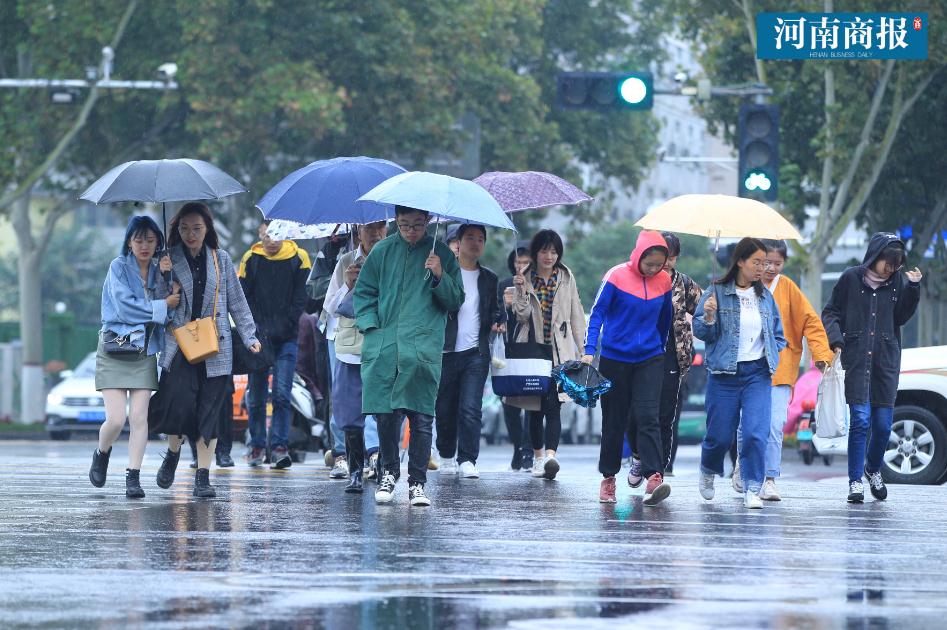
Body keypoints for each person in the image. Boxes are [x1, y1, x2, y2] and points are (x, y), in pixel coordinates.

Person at [354, 205, 464, 506]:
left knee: (422, 416)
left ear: (427, 222)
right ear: (396, 223)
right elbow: (364, 293)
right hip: (386, 345)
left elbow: (455, 301)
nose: (411, 230)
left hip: (422, 346)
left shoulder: (440, 253)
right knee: (386, 415)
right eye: (404, 225)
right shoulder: (382, 252)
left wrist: (440, 274)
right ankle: (388, 473)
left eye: (417, 224)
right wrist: (370, 326)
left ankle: (417, 483)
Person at [149, 202, 260, 498]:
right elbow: (157, 304)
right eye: (184, 228)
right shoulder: (167, 259)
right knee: (177, 404)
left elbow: (237, 301)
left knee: (210, 412)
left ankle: (203, 475)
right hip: (180, 344)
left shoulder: (220, 259)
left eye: (197, 228)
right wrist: (162, 277)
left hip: (216, 345)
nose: (191, 234)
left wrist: (250, 335)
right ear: (177, 230)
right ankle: (173, 454)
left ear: (207, 229)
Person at [822, 233, 921, 503]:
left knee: (883, 426)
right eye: (888, 264)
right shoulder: (850, 278)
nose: (891, 269)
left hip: (886, 362)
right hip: (856, 360)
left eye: (896, 265)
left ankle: (872, 469)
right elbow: (830, 312)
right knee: (861, 421)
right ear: (875, 257)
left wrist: (912, 288)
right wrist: (837, 340)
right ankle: (855, 481)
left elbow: (900, 317)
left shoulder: (897, 282)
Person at [732, 239, 834, 500]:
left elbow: (811, 321)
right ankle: (743, 468)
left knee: (775, 425)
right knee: (748, 427)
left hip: (780, 369)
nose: (771, 268)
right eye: (766, 262)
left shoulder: (787, 288)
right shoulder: (743, 286)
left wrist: (822, 354)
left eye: (777, 263)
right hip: (746, 369)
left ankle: (769, 478)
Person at [693, 238, 786, 509]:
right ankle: (709, 469)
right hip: (724, 374)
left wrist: (773, 355)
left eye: (765, 263)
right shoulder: (716, 292)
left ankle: (752, 487)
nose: (762, 268)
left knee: (757, 433)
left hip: (757, 373)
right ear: (740, 262)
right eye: (756, 262)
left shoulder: (765, 296)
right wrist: (709, 316)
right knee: (719, 435)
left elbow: (777, 335)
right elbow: (702, 333)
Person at [89, 216, 178, 498]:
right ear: (129, 241)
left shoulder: (159, 270)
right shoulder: (118, 267)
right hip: (114, 350)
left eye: (151, 240)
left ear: (158, 244)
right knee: (116, 420)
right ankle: (102, 452)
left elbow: (171, 313)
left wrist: (166, 278)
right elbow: (126, 310)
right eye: (139, 239)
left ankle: (133, 476)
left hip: (144, 352)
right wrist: (161, 305)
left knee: (140, 418)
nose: (144, 245)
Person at [584, 231, 673, 505]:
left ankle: (654, 475)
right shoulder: (616, 276)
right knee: (614, 420)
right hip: (614, 358)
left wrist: (658, 346)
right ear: (638, 255)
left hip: (649, 358)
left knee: (648, 416)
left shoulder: (664, 281)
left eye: (659, 264)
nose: (654, 268)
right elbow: (597, 311)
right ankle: (608, 478)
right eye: (649, 263)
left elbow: (665, 318)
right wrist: (589, 351)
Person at [625, 232, 703, 485]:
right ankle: (638, 455)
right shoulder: (639, 280)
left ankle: (657, 469)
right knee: (637, 413)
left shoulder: (685, 284)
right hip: (641, 353)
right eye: (661, 257)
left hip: (673, 354)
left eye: (671, 258)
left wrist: (711, 310)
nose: (666, 263)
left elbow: (703, 315)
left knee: (666, 415)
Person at [510, 229, 586, 480]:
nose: (549, 256)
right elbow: (520, 316)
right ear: (535, 252)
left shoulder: (566, 277)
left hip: (558, 351)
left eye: (554, 251)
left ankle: (551, 457)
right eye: (544, 250)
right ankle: (538, 456)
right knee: (534, 408)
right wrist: (519, 289)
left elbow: (576, 313)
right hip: (532, 350)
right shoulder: (525, 277)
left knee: (554, 405)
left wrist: (584, 350)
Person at [434, 224, 506, 479]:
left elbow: (496, 309)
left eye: (480, 239)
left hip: (476, 352)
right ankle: (445, 455)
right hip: (445, 350)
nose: (476, 243)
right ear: (459, 242)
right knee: (444, 408)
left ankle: (467, 458)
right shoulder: (444, 272)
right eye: (470, 238)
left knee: (470, 407)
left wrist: (499, 318)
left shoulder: (489, 278)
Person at [238, 220, 311, 470]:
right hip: (258, 338)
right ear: (259, 235)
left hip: (287, 337)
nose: (270, 240)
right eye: (265, 235)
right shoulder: (250, 258)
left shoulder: (299, 257)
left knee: (282, 394)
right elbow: (243, 296)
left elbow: (301, 296)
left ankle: (280, 446)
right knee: (256, 396)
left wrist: (288, 322)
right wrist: (256, 328)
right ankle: (257, 445)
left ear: (286, 235)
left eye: (275, 235)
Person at [323, 220, 388, 491]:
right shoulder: (346, 261)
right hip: (350, 347)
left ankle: (384, 468)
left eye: (380, 227)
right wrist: (348, 286)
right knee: (350, 413)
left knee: (385, 411)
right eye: (368, 228)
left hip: (383, 344)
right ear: (357, 231)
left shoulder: (393, 258)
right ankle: (356, 472)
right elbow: (331, 306)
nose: (374, 233)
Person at [497, 242, 533, 471]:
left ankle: (529, 450)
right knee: (509, 404)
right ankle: (518, 446)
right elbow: (495, 316)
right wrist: (505, 307)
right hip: (508, 351)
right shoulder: (504, 285)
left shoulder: (537, 286)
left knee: (531, 402)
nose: (521, 266)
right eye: (518, 262)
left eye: (526, 262)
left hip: (531, 350)